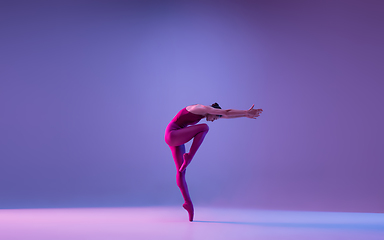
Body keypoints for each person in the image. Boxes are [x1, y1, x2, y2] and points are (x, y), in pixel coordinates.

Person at [164, 103, 263, 221]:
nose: (213, 120)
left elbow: (226, 116)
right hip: (172, 134)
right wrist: (246, 112)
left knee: (181, 172)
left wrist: (244, 115)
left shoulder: (206, 113)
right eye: (215, 118)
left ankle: (188, 204)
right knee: (204, 128)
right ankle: (189, 157)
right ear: (213, 112)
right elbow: (225, 112)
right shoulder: (201, 108)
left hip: (177, 136)